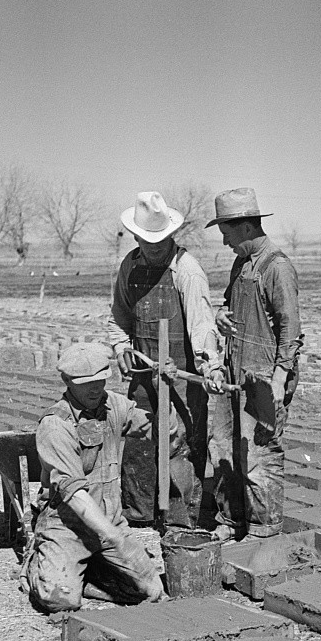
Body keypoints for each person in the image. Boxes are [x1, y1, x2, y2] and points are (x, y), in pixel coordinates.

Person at [22, 342, 173, 613]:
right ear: (66, 380)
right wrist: (118, 539)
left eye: (100, 380)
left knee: (150, 590)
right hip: (68, 528)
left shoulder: (114, 405)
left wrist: (164, 390)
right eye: (84, 383)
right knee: (60, 599)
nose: (94, 388)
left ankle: (90, 568)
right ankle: (39, 563)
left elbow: (163, 432)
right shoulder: (56, 425)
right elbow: (74, 495)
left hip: (109, 521)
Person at [107, 191, 221, 530]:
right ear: (135, 236)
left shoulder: (187, 270)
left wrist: (210, 364)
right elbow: (117, 318)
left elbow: (202, 326)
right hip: (143, 373)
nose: (153, 247)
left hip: (181, 376)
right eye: (146, 240)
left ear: (172, 234)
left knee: (181, 444)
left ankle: (182, 517)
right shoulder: (129, 266)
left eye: (160, 240)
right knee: (140, 439)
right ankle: (140, 510)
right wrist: (120, 348)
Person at [203, 187, 303, 542]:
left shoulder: (276, 267)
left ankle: (264, 530)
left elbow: (290, 327)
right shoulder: (241, 263)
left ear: (245, 228)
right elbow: (229, 305)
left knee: (259, 456)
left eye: (227, 233)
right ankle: (232, 521)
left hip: (263, 376)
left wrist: (278, 379)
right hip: (235, 370)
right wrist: (221, 317)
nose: (225, 242)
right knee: (227, 449)